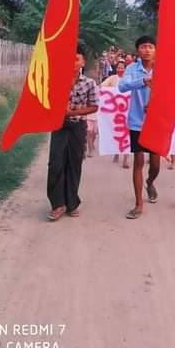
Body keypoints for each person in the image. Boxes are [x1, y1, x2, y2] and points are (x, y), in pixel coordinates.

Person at [47, 46, 98, 221]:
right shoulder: (56, 79)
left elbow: (94, 106)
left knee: (74, 163)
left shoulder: (89, 83)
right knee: (56, 163)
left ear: (83, 61)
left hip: (78, 127)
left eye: (76, 59)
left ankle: (72, 203)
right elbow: (47, 100)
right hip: (59, 126)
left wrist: (74, 112)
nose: (73, 63)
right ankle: (57, 204)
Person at [119, 36, 160, 219]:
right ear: (138, 51)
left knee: (156, 164)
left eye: (150, 46)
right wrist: (143, 81)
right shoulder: (132, 69)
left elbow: (172, 92)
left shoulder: (163, 68)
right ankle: (138, 203)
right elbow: (122, 86)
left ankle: (150, 182)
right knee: (138, 162)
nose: (147, 50)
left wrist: (156, 105)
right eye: (143, 47)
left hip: (156, 122)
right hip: (136, 122)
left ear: (156, 50)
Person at [102, 61, 130, 169]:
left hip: (127, 111)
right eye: (118, 67)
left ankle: (126, 159)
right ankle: (116, 152)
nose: (120, 70)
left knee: (127, 133)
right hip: (115, 112)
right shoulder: (112, 78)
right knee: (116, 132)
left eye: (122, 68)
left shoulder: (129, 79)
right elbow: (103, 86)